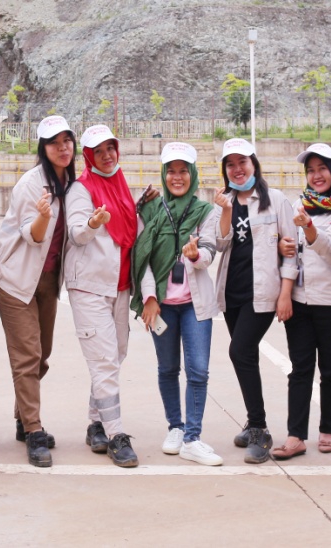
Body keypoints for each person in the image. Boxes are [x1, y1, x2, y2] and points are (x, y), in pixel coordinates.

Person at [133, 141, 223, 466]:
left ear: (193, 174)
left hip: (195, 306)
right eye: (171, 171)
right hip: (162, 306)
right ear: (164, 174)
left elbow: (210, 250)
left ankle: (192, 438)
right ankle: (175, 426)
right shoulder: (151, 211)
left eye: (184, 171)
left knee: (198, 370)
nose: (177, 177)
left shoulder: (206, 211)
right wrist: (149, 298)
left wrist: (196, 256)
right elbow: (141, 259)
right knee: (168, 368)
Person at [0, 115, 73, 468]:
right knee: (27, 355)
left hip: (48, 279)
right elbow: (34, 235)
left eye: (67, 140)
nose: (63, 147)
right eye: (54, 142)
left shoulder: (72, 182)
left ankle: (22, 418)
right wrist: (42, 216)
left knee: (42, 355)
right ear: (43, 148)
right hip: (17, 279)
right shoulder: (31, 184)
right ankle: (34, 430)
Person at [214, 138, 298, 464]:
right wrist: (224, 210)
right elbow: (221, 244)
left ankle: (260, 429)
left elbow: (291, 250)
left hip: (262, 294)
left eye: (242, 162)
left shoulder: (275, 200)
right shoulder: (224, 201)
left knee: (239, 351)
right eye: (230, 164)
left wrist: (286, 293)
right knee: (246, 356)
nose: (237, 169)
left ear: (254, 164)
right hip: (232, 293)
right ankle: (252, 422)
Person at [271, 143, 331, 460]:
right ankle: (295, 436)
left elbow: (329, 244)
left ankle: (327, 430)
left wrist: (308, 226)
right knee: (300, 370)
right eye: (310, 170)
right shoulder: (298, 205)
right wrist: (282, 249)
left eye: (322, 169)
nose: (316, 175)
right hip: (300, 302)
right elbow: (289, 250)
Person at [65, 125, 140, 468]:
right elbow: (77, 234)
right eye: (99, 151)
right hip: (90, 287)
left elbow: (127, 231)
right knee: (105, 361)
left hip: (119, 286)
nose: (107, 155)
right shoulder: (81, 189)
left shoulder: (120, 183)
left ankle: (96, 422)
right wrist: (94, 223)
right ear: (88, 156)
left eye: (110, 148)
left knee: (116, 353)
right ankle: (116, 434)